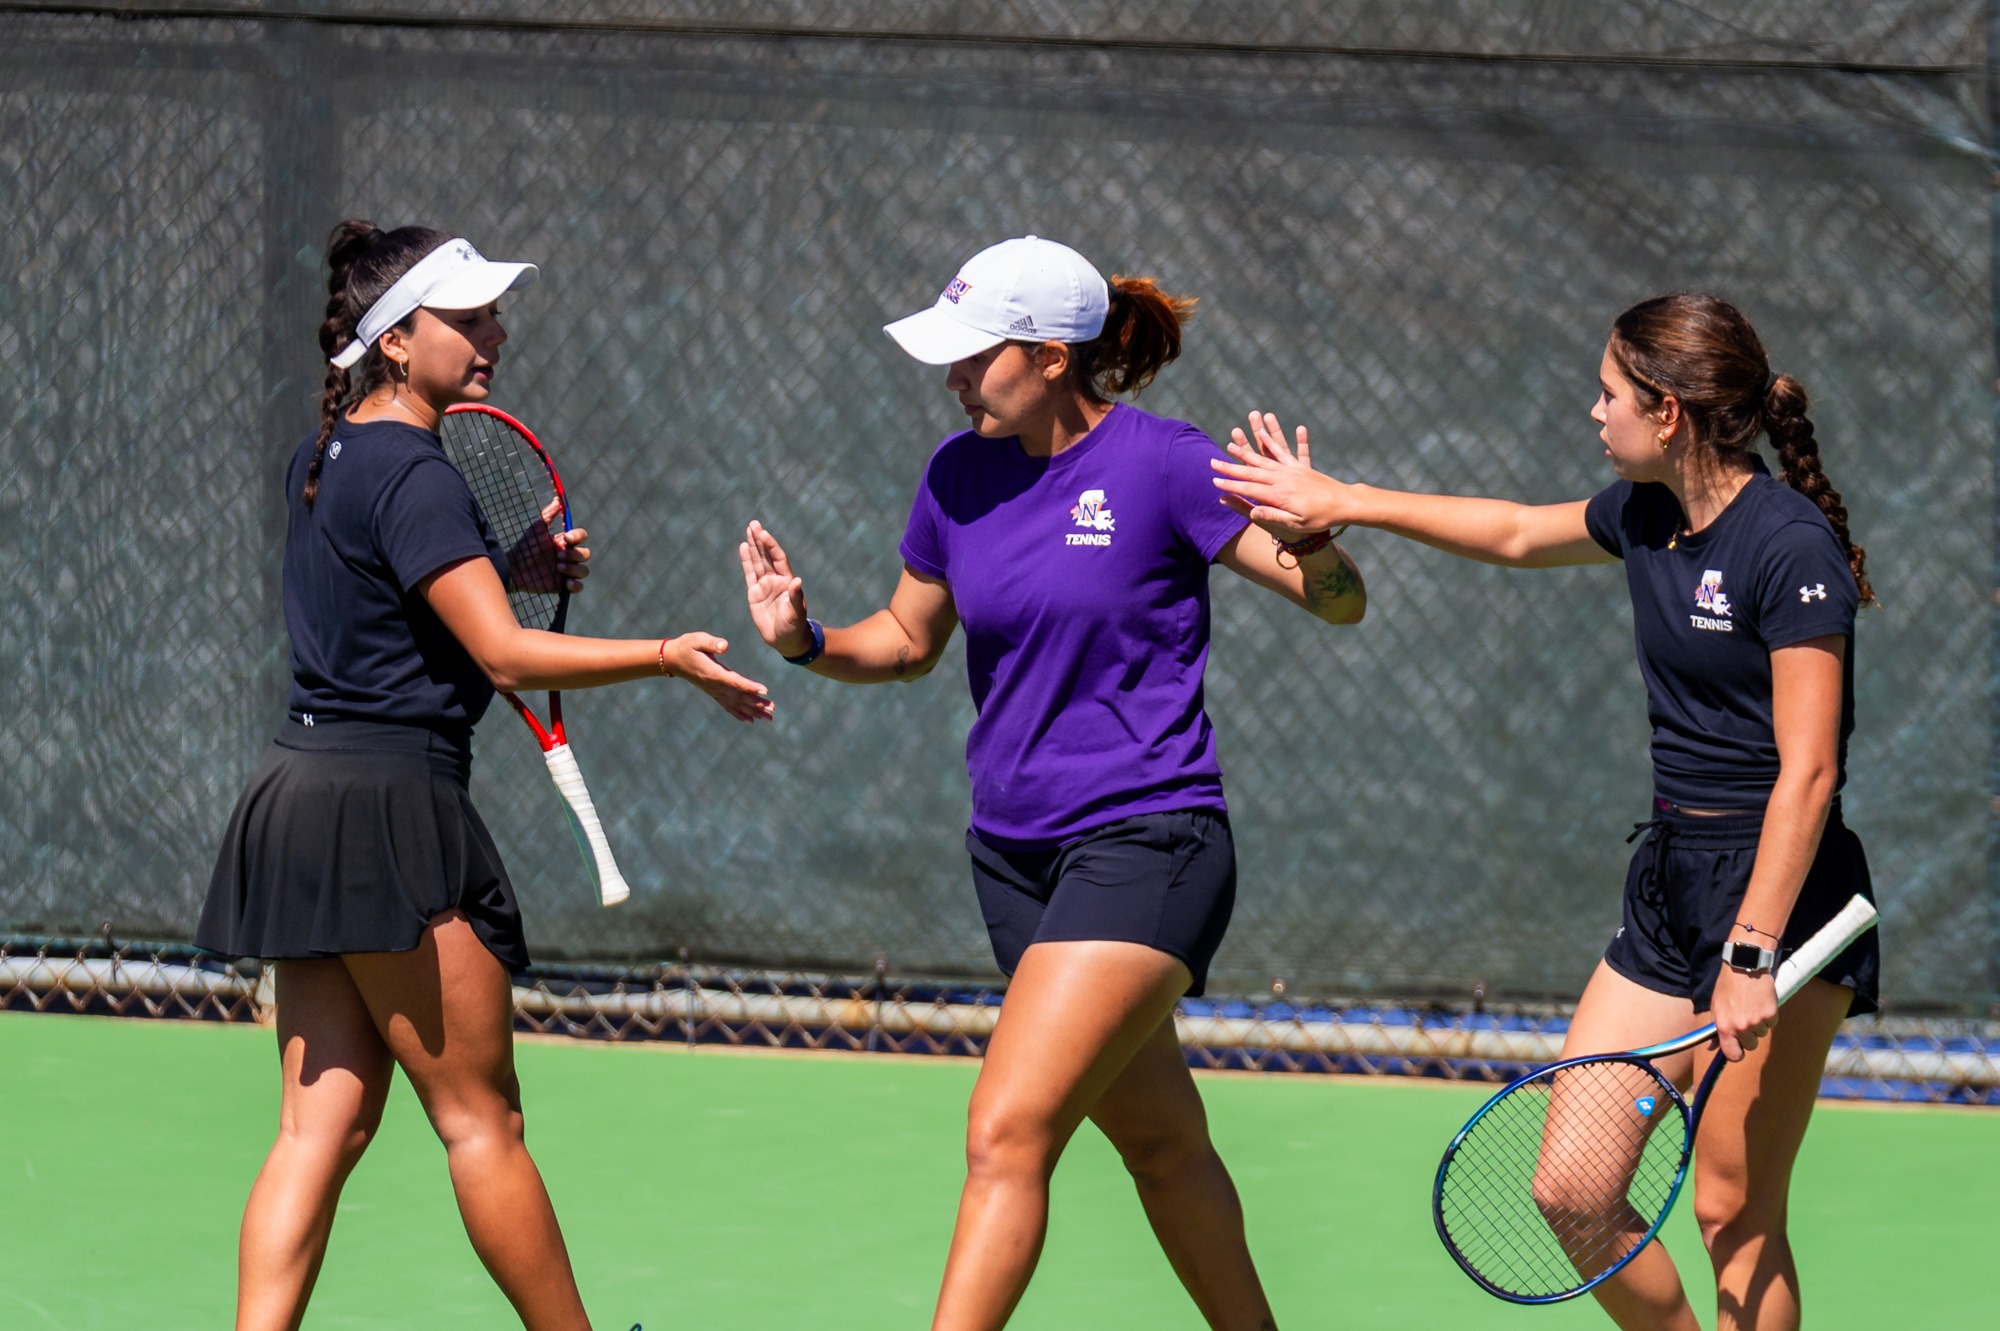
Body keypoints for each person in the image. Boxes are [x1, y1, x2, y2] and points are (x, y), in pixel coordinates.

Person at [1211, 291, 1877, 1331]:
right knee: (1569, 1190)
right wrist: (1346, 497)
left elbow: (1807, 771)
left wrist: (1749, 951)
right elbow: (1517, 532)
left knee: (1730, 1207)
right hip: (1668, 884)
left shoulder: (1784, 545)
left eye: (1607, 392)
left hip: (1781, 899)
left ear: (1665, 411)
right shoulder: (1648, 512)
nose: (1590, 409)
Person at [739, 236, 1365, 1331]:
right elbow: (902, 638)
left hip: (1147, 840)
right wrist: (804, 638)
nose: (951, 377)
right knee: (1164, 1144)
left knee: (1005, 1131)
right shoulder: (955, 472)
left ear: (1049, 355)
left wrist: (1316, 542)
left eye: (973, 357)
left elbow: (1334, 599)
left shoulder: (1163, 464)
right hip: (1013, 858)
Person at [197, 220, 771, 1331]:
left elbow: (382, 608)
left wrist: (501, 569)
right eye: (465, 319)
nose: (492, 332)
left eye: (490, 314)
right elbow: (503, 653)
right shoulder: (419, 471)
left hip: (296, 795)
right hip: (386, 811)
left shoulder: (325, 455)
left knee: (318, 1128)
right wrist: (665, 654)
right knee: (480, 1119)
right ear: (397, 341)